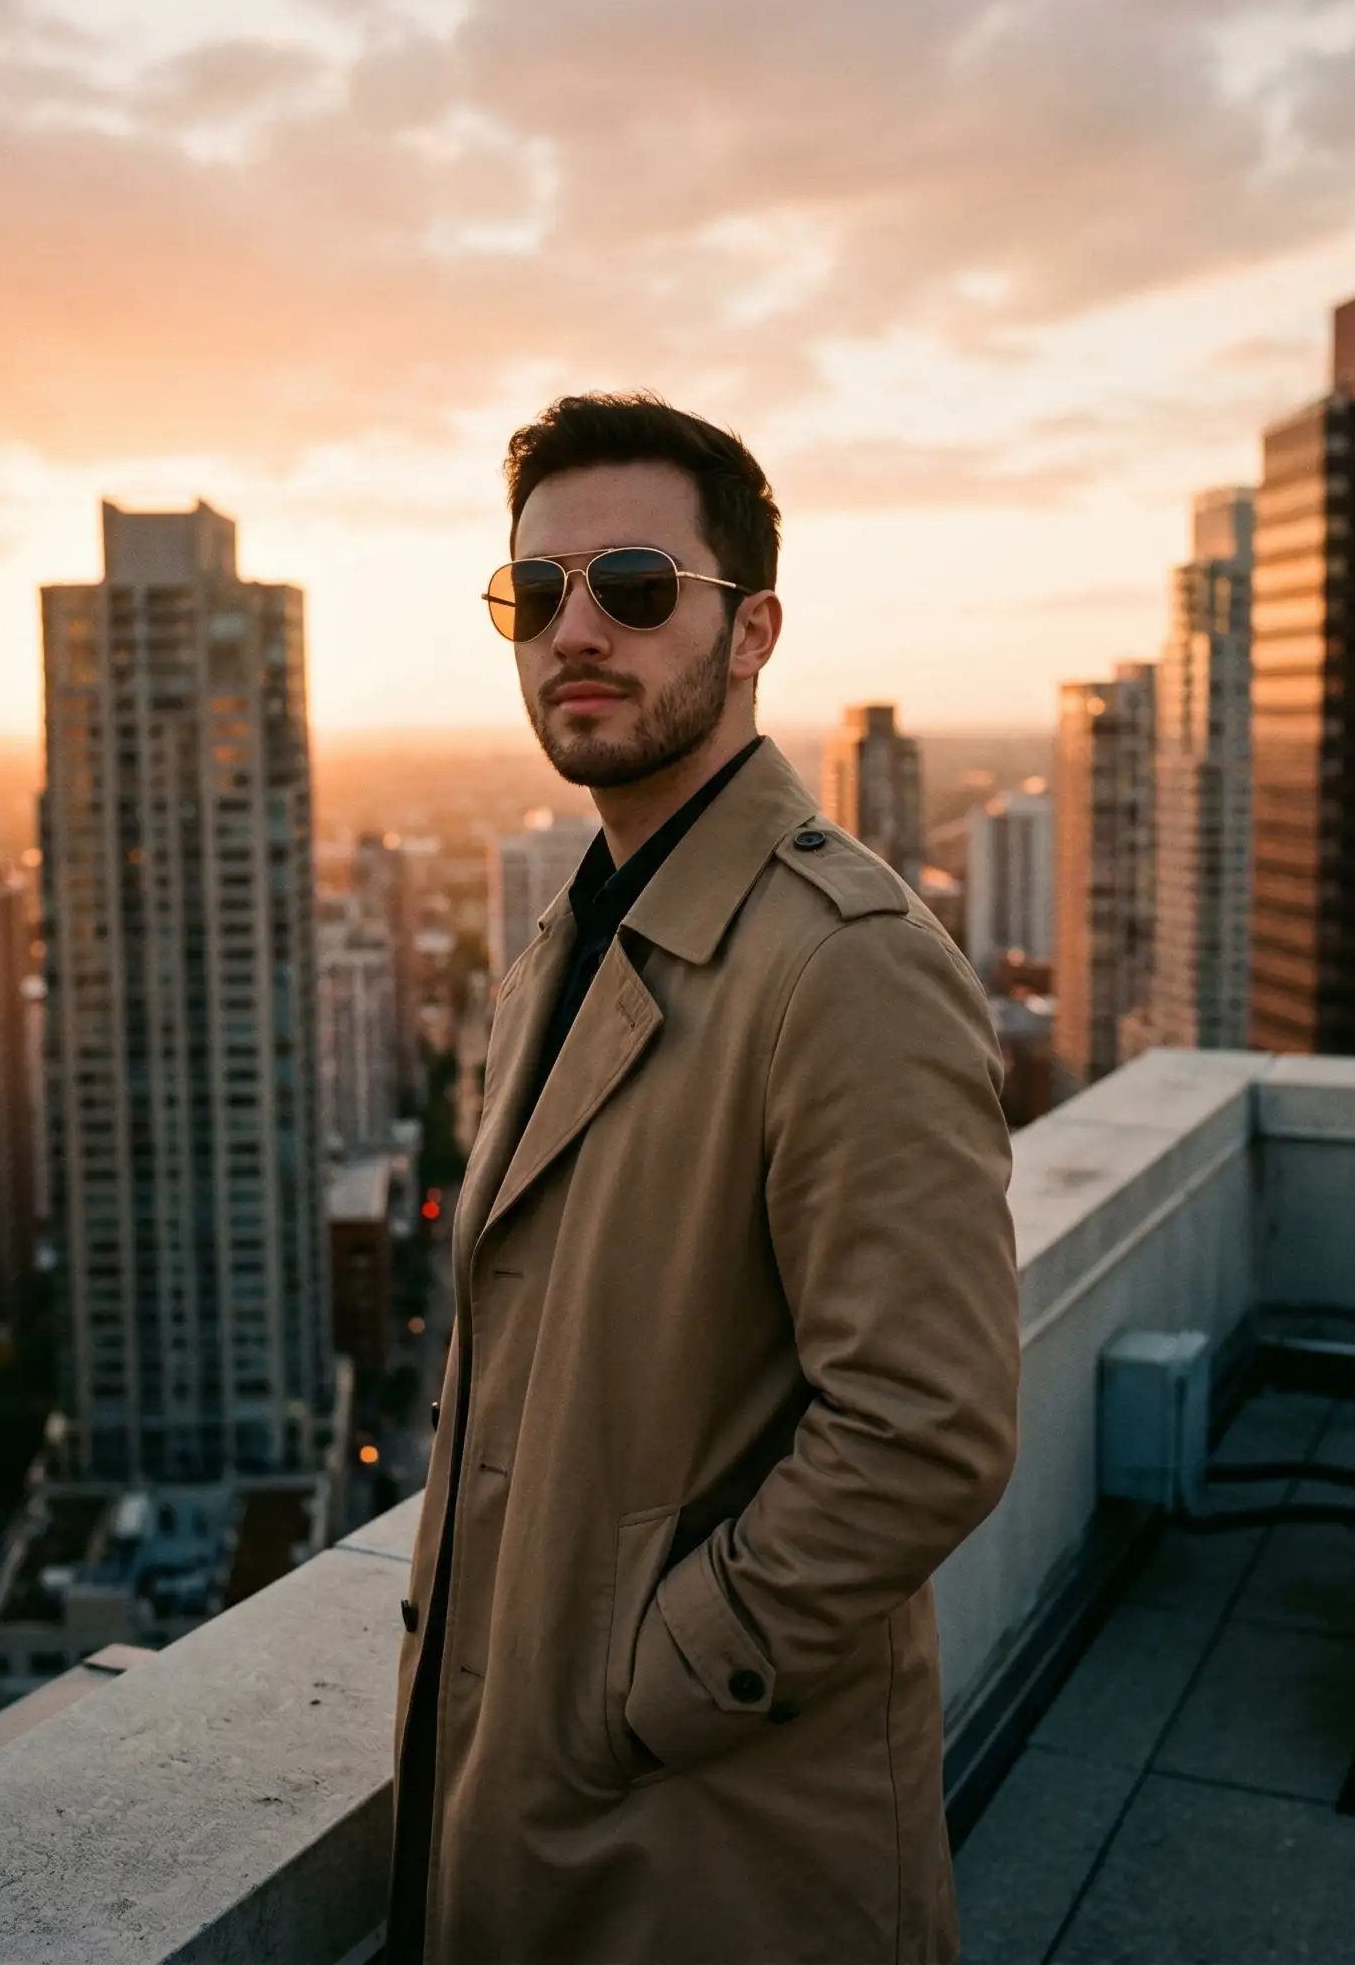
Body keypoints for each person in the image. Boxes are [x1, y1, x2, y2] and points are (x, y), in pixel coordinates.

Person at [387, 392, 1019, 1964]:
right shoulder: (565, 943)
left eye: (638, 586)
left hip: (716, 1851)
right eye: (533, 596)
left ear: (752, 633)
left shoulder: (847, 967)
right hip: (527, 1810)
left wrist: (643, 1685)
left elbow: (927, 1427)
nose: (575, 630)